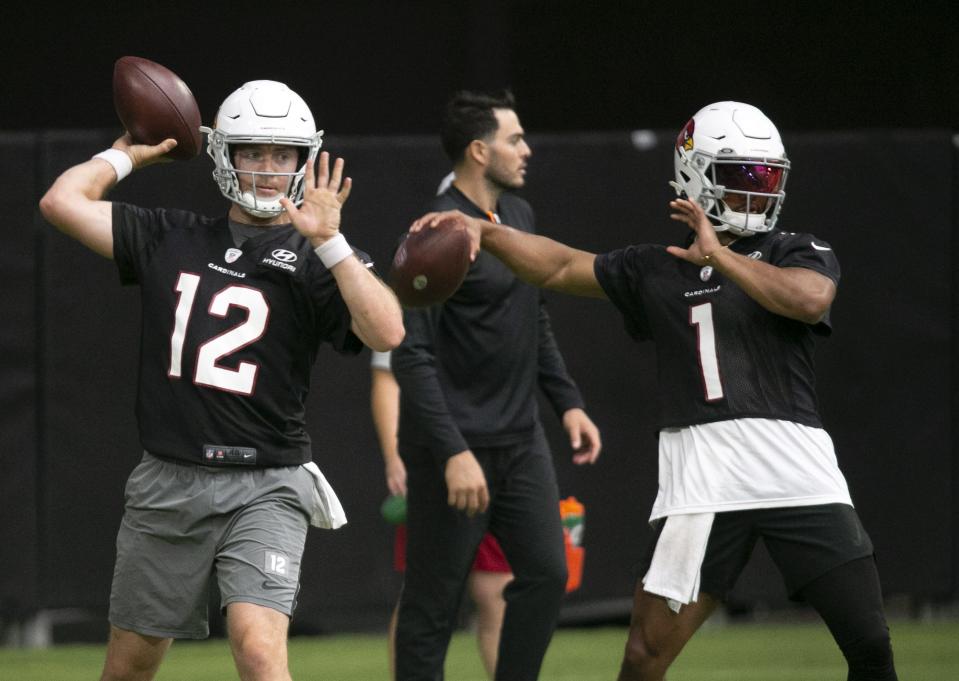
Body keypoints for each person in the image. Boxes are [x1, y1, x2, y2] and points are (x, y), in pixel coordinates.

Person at [412, 101, 898, 681]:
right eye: (742, 176)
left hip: (795, 467)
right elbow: (559, 267)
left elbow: (808, 299)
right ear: (697, 177)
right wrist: (485, 231)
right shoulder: (656, 268)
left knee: (869, 641)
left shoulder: (795, 250)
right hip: (702, 477)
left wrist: (719, 256)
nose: (757, 191)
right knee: (644, 656)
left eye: (767, 177)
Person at [38, 79, 404, 681]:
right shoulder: (171, 236)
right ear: (223, 156)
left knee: (259, 652)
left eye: (281, 154)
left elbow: (388, 331)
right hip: (170, 477)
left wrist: (332, 241)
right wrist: (129, 152)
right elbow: (61, 203)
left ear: (303, 160)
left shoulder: (319, 255)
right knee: (129, 667)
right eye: (252, 152)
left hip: (269, 481)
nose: (266, 168)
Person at [391, 89, 602, 681]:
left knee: (549, 574)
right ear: (480, 151)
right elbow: (411, 355)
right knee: (432, 607)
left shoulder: (518, 218)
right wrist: (454, 452)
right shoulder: (434, 232)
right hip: (453, 453)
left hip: (520, 441)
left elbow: (533, 318)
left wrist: (568, 403)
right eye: (515, 140)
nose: (527, 150)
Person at [370, 349, 513, 680]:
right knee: (424, 593)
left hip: (495, 455)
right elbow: (387, 377)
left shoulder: (509, 302)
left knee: (499, 592)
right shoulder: (411, 298)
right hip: (432, 462)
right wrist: (395, 456)